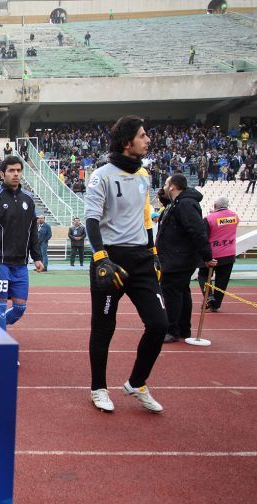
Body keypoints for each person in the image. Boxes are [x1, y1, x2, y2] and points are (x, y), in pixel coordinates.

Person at [83, 115, 167, 414]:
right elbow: (91, 219)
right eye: (143, 135)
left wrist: (153, 251)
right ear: (126, 142)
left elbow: (146, 216)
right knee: (104, 327)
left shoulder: (144, 175)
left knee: (159, 324)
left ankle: (137, 382)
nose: (148, 140)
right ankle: (98, 387)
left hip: (142, 259)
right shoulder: (101, 176)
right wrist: (101, 258)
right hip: (111, 261)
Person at [0, 156, 44, 335]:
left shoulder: (28, 200)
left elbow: (32, 230)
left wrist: (37, 257)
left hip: (21, 264)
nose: (15, 174)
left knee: (20, 307)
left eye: (18, 170)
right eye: (11, 171)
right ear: (2, 174)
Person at [157, 174, 216, 344]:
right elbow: (170, 209)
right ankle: (183, 329)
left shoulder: (185, 204)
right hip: (176, 257)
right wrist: (162, 195)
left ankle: (172, 330)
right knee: (181, 292)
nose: (164, 187)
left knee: (172, 294)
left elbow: (197, 231)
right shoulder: (178, 203)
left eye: (166, 184)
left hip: (177, 258)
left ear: (173, 186)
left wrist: (207, 256)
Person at [197, 197, 239, 312]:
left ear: (215, 206)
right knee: (222, 281)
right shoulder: (235, 216)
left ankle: (209, 296)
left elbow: (204, 237)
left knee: (203, 275)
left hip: (212, 254)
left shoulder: (209, 218)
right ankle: (215, 305)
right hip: (229, 254)